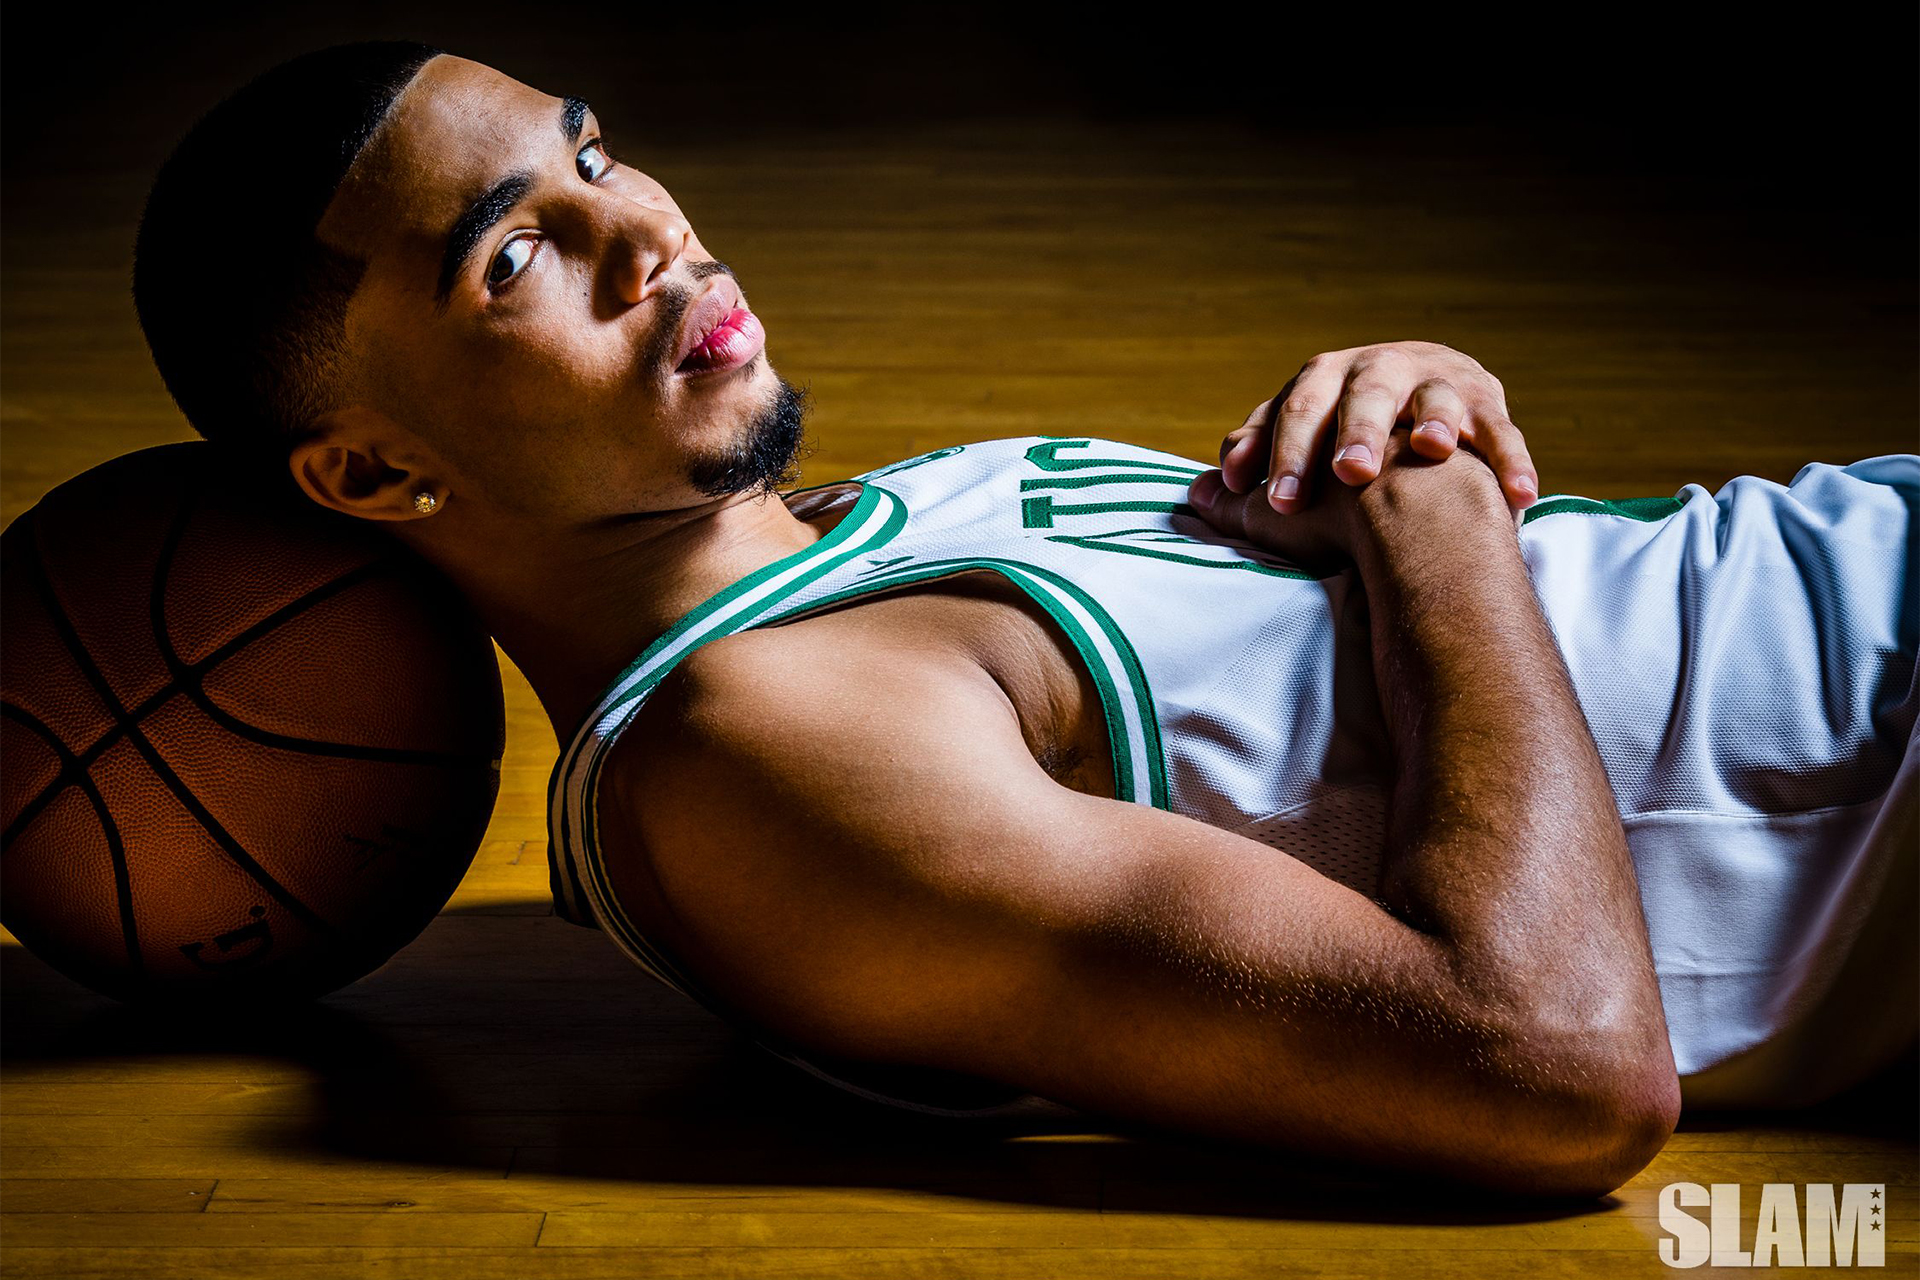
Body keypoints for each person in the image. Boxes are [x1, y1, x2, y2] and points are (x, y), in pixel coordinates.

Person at [127, 42, 1917, 1199]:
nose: (645, 231)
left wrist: (1420, 407)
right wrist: (1435, 522)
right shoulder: (766, 760)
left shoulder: (879, 527)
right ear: (374, 478)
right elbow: (1553, 1069)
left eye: (595, 153)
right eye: (514, 256)